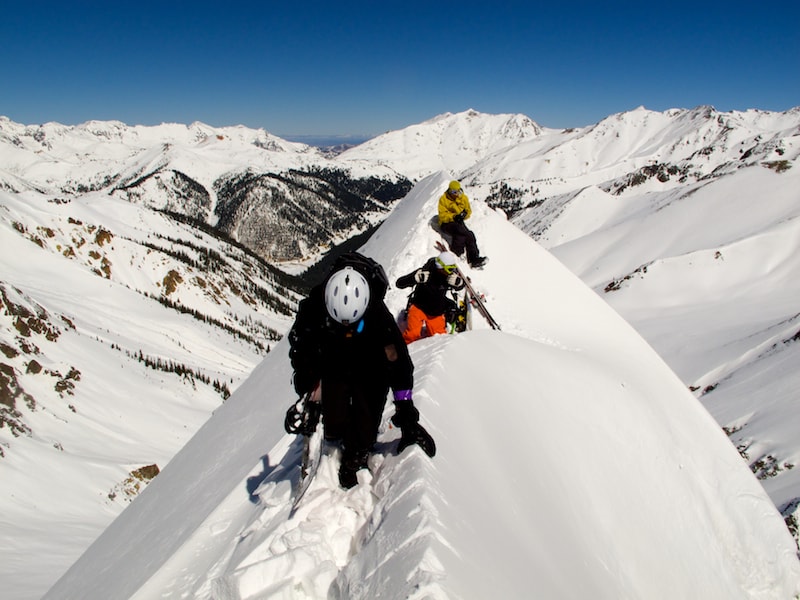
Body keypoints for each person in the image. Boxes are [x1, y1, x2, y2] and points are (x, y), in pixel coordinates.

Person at [287, 253, 436, 488]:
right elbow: (302, 352)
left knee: (367, 415)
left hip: (369, 357)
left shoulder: (378, 317)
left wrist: (406, 412)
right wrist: (307, 395)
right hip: (332, 352)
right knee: (334, 423)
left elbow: (398, 364)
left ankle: (357, 455)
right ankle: (339, 429)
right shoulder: (314, 308)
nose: (346, 327)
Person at [396, 250, 465, 344]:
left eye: (453, 269)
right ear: (441, 267)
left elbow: (460, 286)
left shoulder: (449, 277)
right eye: (450, 269)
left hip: (435, 312)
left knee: (439, 339)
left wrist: (459, 283)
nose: (452, 272)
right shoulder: (425, 273)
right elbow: (399, 283)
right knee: (412, 335)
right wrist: (414, 278)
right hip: (419, 307)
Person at [438, 180, 487, 268]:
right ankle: (457, 250)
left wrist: (464, 215)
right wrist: (453, 217)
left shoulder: (463, 198)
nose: (454, 194)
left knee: (470, 235)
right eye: (452, 191)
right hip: (446, 223)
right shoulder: (444, 199)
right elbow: (442, 216)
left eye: (456, 191)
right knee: (460, 231)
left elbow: (468, 211)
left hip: (458, 221)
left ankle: (474, 258)